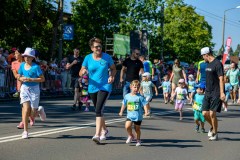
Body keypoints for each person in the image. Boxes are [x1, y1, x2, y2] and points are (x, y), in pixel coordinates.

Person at [79, 37, 116, 144]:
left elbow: (113, 69)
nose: (99, 48)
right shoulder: (87, 58)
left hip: (105, 86)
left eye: (100, 46)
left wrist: (112, 76)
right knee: (98, 110)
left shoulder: (107, 57)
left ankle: (97, 134)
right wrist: (83, 72)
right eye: (96, 47)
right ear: (92, 48)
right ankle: (105, 130)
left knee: (98, 110)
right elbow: (81, 72)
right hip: (92, 87)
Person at [18, 47, 46, 139]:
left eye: (29, 56)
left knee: (32, 114)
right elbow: (19, 75)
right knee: (25, 110)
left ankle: (39, 110)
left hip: (34, 89)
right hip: (25, 88)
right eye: (25, 56)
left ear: (32, 57)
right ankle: (25, 131)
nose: (26, 58)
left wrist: (31, 79)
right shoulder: (22, 65)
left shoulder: (36, 67)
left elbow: (42, 79)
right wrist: (20, 78)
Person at [201, 47, 225, 141]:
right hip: (208, 91)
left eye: (203, 56)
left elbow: (221, 79)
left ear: (207, 54)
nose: (203, 58)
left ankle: (215, 133)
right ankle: (213, 127)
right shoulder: (207, 64)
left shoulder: (217, 64)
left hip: (216, 92)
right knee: (204, 113)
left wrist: (222, 92)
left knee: (211, 113)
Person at [119, 80, 148, 147]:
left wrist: (146, 112)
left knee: (137, 129)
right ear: (131, 87)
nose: (136, 89)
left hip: (138, 116)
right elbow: (124, 104)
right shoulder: (127, 96)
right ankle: (131, 135)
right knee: (127, 126)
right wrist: (121, 111)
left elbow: (145, 105)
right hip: (130, 116)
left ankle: (138, 140)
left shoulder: (140, 97)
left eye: (138, 87)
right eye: (134, 87)